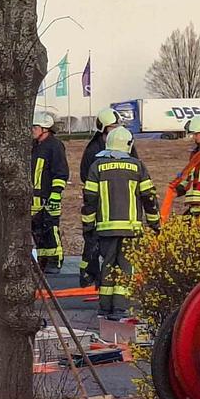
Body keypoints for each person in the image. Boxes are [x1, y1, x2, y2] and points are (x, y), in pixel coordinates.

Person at [81, 125, 158, 319]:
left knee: (107, 265)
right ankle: (120, 307)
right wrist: (155, 223)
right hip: (131, 230)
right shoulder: (137, 166)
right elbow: (148, 197)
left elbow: (90, 200)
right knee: (125, 267)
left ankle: (105, 306)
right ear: (128, 145)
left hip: (105, 229)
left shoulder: (97, 167)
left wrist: (88, 227)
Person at [77, 107, 120, 287]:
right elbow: (85, 176)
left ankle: (113, 276)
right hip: (98, 203)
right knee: (92, 240)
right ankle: (89, 274)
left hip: (118, 202)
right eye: (112, 126)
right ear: (103, 128)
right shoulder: (92, 150)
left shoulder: (124, 145)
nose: (116, 129)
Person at [30, 109, 69, 273]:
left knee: (50, 229)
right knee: (37, 231)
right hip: (34, 199)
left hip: (49, 197)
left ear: (44, 129)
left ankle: (55, 262)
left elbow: (61, 172)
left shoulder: (54, 146)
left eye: (35, 127)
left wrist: (55, 195)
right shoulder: (34, 146)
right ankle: (43, 261)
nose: (32, 130)